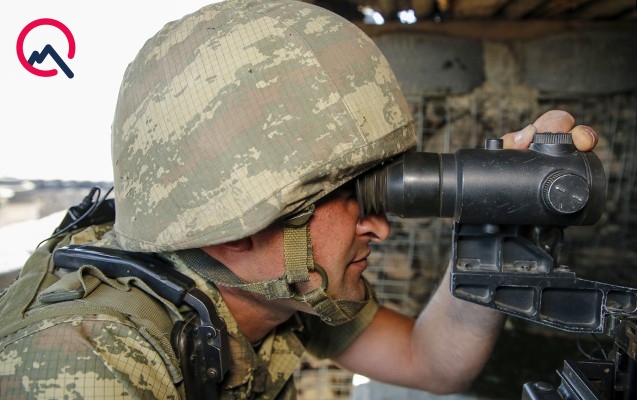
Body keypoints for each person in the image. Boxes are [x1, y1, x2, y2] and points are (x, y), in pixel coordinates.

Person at [0, 0, 600, 399]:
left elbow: (432, 361)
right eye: (353, 197)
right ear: (236, 225)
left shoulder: (277, 292)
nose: (382, 229)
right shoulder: (80, 368)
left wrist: (495, 234)